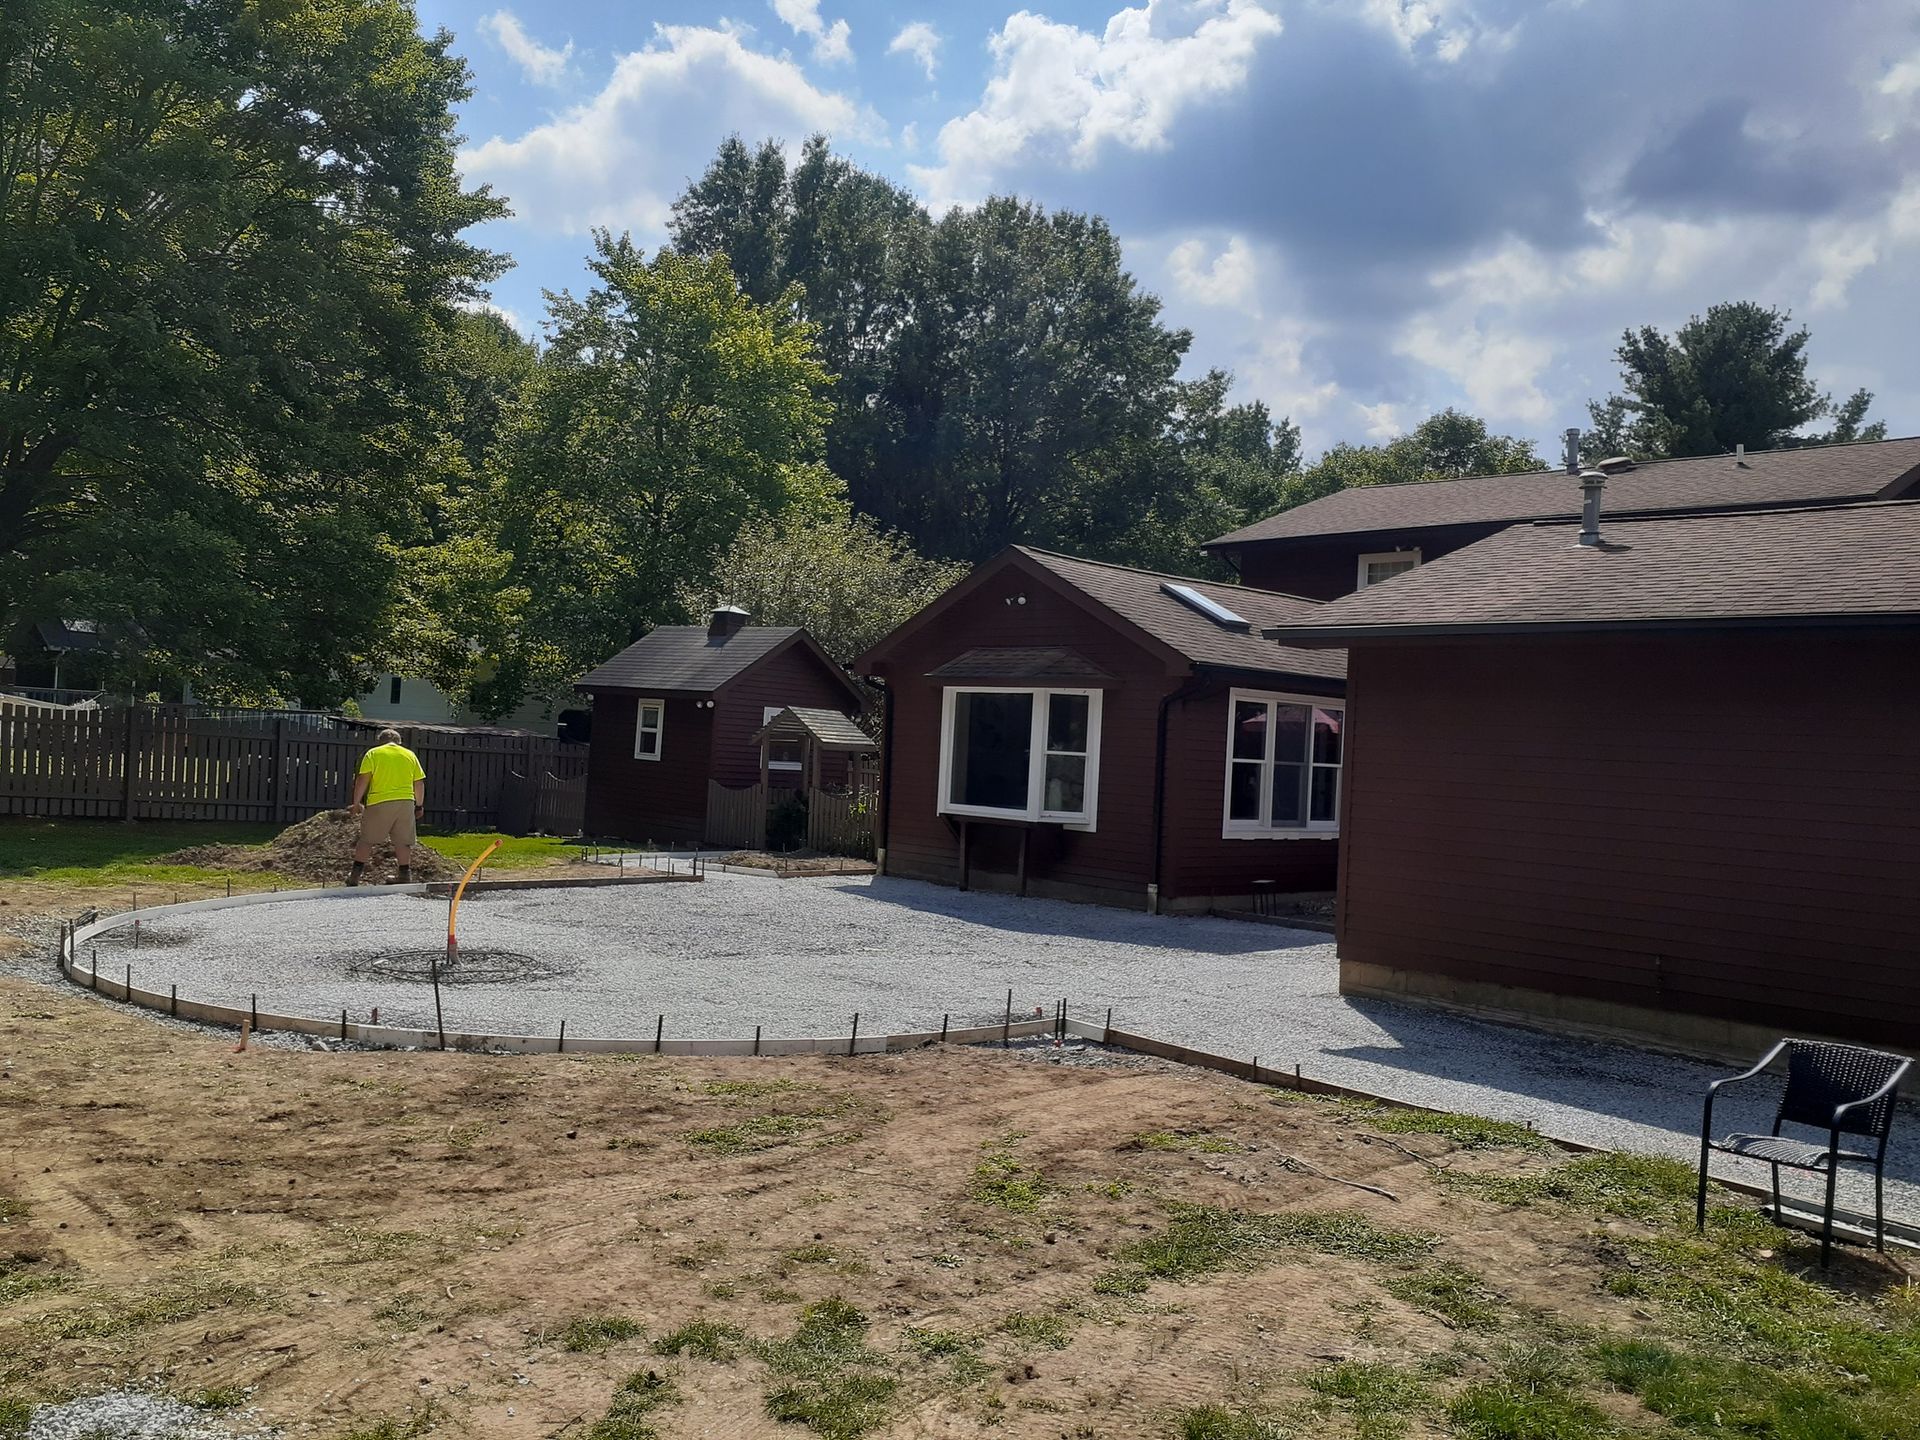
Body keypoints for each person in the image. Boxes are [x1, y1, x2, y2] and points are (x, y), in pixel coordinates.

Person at [347, 728, 426, 886]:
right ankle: (404, 875)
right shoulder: (410, 755)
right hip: (405, 802)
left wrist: (356, 804)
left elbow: (363, 779)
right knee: (403, 841)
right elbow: (418, 783)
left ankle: (355, 876)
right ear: (399, 742)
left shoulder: (373, 753)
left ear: (380, 741)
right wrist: (419, 805)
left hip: (380, 801)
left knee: (367, 839)